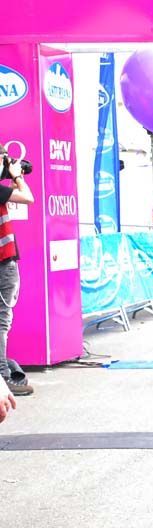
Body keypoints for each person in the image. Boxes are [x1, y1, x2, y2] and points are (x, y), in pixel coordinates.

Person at [0, 147, 34, 396]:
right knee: (2, 321)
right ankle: (3, 377)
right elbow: (28, 197)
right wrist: (17, 176)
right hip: (3, 262)